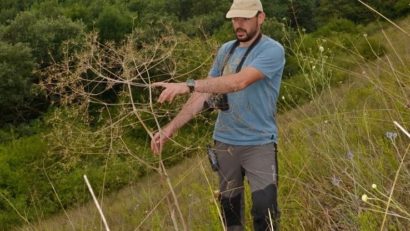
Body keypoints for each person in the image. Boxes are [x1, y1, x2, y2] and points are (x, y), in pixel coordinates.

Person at [150, 0, 285, 230]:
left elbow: (239, 81)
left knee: (265, 213)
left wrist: (188, 84)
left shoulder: (272, 50)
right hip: (225, 144)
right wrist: (170, 129)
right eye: (234, 19)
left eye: (244, 19)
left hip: (259, 143)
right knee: (230, 214)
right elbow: (205, 95)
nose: (238, 24)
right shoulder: (226, 50)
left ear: (260, 18)